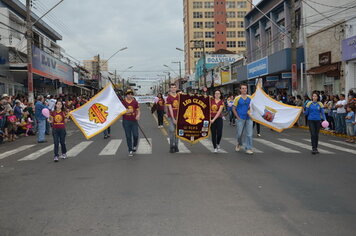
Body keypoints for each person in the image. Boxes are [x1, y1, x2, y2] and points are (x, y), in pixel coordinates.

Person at [232, 84, 254, 155]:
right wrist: (237, 117)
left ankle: (248, 148)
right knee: (239, 134)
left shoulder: (251, 97)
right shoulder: (237, 98)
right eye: (243, 88)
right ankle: (239, 144)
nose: (244, 90)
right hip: (240, 118)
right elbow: (233, 108)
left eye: (245, 88)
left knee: (249, 134)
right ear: (240, 90)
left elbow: (254, 107)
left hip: (249, 118)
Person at [122, 89, 140, 157]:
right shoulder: (123, 102)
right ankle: (130, 149)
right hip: (126, 121)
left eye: (131, 94)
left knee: (136, 135)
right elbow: (120, 111)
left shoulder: (135, 102)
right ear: (126, 95)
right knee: (128, 136)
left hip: (134, 121)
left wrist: (138, 115)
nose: (130, 95)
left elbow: (138, 111)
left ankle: (134, 145)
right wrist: (127, 111)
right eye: (128, 94)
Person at [166, 83, 180, 153]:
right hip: (171, 117)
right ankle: (171, 146)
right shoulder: (169, 97)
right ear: (170, 89)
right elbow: (170, 108)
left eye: (174, 87)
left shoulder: (179, 96)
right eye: (172, 87)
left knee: (177, 132)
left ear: (176, 88)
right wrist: (173, 119)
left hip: (179, 117)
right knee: (172, 131)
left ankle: (176, 146)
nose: (173, 88)